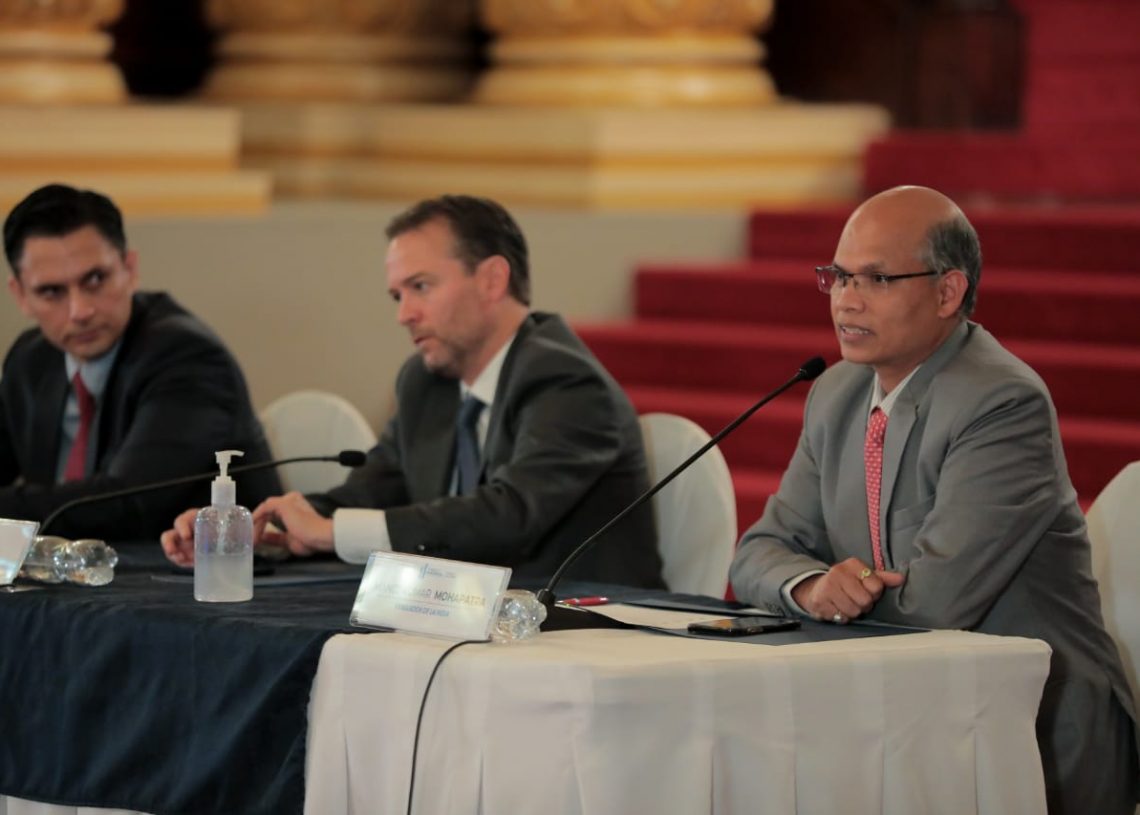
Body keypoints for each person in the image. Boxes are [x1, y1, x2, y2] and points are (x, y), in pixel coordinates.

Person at [729, 185, 1138, 814]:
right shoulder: (837, 393)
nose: (847, 300)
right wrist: (811, 587)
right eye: (839, 276)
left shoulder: (1002, 403)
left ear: (948, 292)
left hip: (1028, 735)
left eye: (877, 279)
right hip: (902, 716)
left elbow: (936, 606)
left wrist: (840, 599)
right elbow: (758, 552)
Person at [162, 194, 663, 588]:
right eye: (397, 295)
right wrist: (253, 533)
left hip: (589, 629)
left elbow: (509, 515)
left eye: (421, 287)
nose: (404, 315)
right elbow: (369, 493)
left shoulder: (565, 380)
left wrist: (333, 533)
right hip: (470, 626)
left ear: (492, 279)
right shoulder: (427, 383)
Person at [0, 183, 280, 541]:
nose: (80, 311)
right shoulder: (32, 359)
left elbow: (125, 504)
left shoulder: (189, 359)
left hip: (197, 572)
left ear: (130, 269)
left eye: (95, 280)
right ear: (21, 296)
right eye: (51, 292)